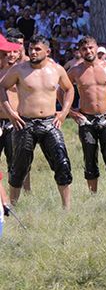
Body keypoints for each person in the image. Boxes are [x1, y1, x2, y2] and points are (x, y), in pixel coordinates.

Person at [0, 35, 73, 208]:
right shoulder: (19, 69)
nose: (33, 52)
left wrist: (64, 113)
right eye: (31, 48)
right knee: (19, 168)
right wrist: (10, 113)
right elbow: (1, 87)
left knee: (62, 164)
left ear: (47, 51)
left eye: (37, 49)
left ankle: (67, 208)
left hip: (50, 123)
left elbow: (69, 89)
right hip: (25, 123)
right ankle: (13, 206)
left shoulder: (57, 69)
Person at [67, 36, 106, 196]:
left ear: (96, 48)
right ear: (80, 52)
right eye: (84, 49)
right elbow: (61, 90)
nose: (88, 51)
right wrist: (71, 111)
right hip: (86, 119)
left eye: (90, 48)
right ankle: (93, 196)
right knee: (89, 157)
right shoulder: (75, 71)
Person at [0, 33, 31, 192]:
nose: (11, 55)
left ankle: (26, 192)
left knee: (18, 161)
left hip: (16, 121)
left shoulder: (21, 70)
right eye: (8, 52)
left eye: (14, 52)